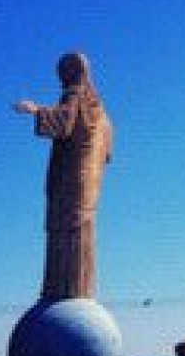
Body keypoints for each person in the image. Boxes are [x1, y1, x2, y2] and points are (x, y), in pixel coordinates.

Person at [13, 51, 115, 302]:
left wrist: (36, 110)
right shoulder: (101, 111)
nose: (61, 80)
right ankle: (81, 287)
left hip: (69, 180)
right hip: (89, 183)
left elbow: (63, 122)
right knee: (82, 230)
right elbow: (108, 150)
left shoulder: (75, 94)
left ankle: (61, 289)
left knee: (62, 230)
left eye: (63, 73)